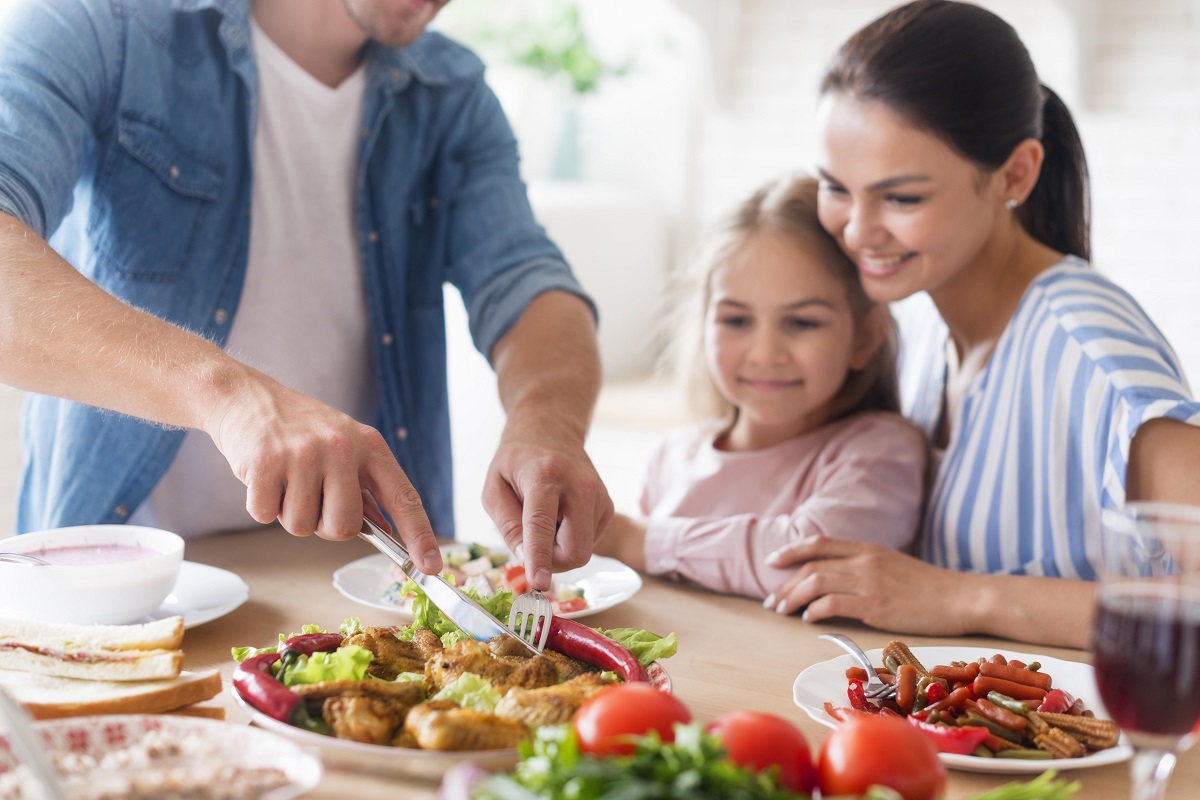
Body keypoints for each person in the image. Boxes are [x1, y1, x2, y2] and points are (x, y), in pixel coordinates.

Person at [0, 0, 613, 591]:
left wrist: (548, 421)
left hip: (365, 586)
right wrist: (230, 397)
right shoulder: (100, 24)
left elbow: (525, 279)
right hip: (118, 591)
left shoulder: (452, 93)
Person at [766, 0, 1200, 647]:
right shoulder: (925, 323)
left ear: (1015, 175)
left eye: (901, 197)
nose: (856, 230)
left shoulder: (1094, 356)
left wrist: (966, 596)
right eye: (836, 187)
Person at [594, 175, 926, 602]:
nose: (766, 353)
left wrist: (633, 540)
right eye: (736, 320)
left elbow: (816, 565)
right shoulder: (672, 457)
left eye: (802, 322)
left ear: (864, 338)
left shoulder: (881, 452)